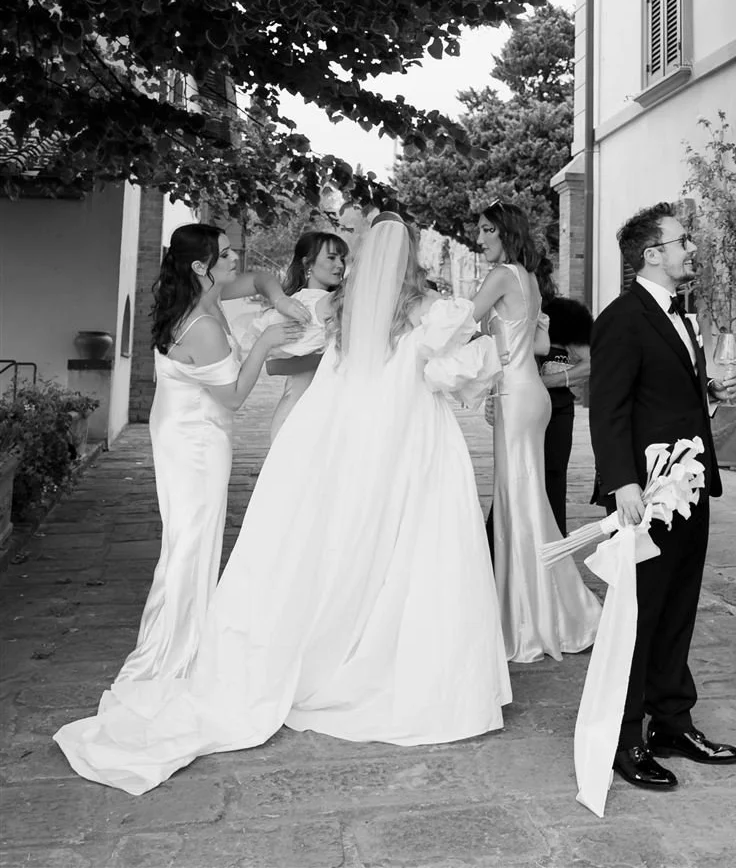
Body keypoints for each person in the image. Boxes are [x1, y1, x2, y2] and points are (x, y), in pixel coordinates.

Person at [55, 216, 510, 793]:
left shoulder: (339, 309)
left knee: (340, 540)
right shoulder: (430, 310)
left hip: (345, 436)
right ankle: (401, 663)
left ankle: (326, 645)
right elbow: (462, 367)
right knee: (414, 545)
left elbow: (297, 353)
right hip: (413, 438)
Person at [108, 225, 305, 684]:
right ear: (201, 266)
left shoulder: (207, 293)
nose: (235, 258)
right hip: (194, 441)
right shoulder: (204, 327)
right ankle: (176, 646)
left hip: (185, 429)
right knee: (191, 539)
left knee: (188, 536)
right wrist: (266, 341)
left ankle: (188, 631)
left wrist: (280, 299)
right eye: (225, 254)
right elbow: (233, 397)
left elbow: (261, 279)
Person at [587, 202, 736, 792]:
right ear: (653, 255)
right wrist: (622, 482)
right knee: (639, 614)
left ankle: (672, 721)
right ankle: (625, 738)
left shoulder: (681, 312)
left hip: (690, 485)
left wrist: (709, 391)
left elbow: (666, 392)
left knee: (679, 606)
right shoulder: (622, 318)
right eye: (682, 241)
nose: (691, 248)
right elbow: (609, 407)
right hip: (645, 494)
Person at [473, 203, 599, 663]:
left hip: (516, 395)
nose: (480, 240)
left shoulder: (501, 275)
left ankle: (535, 618)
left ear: (505, 232)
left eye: (486, 230)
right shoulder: (527, 278)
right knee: (525, 499)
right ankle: (539, 606)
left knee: (519, 501)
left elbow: (462, 322)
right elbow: (542, 344)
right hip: (531, 393)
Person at [264, 229, 348, 442]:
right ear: (308, 263)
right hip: (303, 414)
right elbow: (274, 365)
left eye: (342, 258)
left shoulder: (296, 301)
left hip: (308, 410)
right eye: (331, 258)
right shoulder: (315, 303)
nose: (340, 265)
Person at [536, 257, 593, 538]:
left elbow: (592, 363)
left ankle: (553, 546)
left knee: (552, 479)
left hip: (556, 409)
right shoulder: (508, 313)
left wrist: (545, 382)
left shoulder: (566, 313)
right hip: (517, 409)